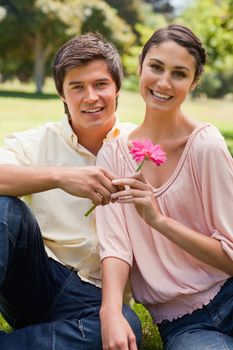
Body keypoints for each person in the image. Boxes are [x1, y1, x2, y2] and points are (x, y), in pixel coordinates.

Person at [0, 32, 142, 349]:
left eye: (100, 84)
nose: (90, 97)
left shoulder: (142, 149)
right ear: (62, 94)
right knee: (6, 209)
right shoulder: (33, 142)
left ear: (117, 87)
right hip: (34, 277)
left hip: (94, 298)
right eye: (77, 87)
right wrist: (61, 177)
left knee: (126, 326)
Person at [96, 24, 233, 350]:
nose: (163, 82)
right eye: (156, 67)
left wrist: (159, 221)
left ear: (194, 83)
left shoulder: (205, 145)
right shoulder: (113, 154)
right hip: (187, 324)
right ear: (140, 66)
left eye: (179, 74)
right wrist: (110, 311)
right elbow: (115, 246)